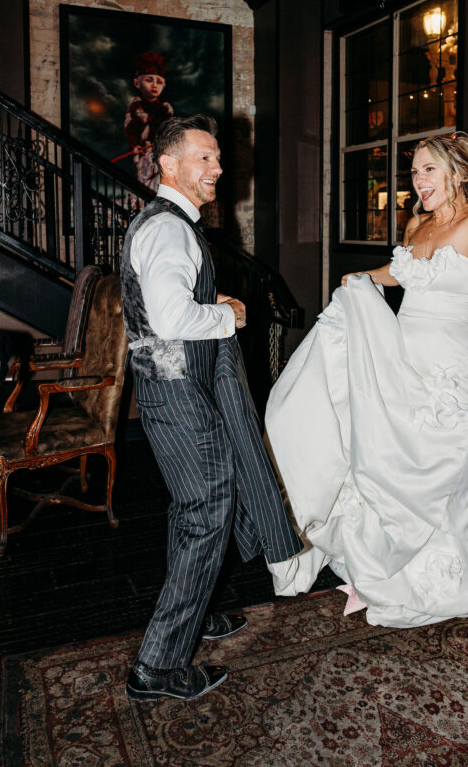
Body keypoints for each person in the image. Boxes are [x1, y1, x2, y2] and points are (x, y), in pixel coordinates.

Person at [265, 33, 468, 628]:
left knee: (451, 474)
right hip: (402, 363)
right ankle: (390, 571)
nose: (418, 181)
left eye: (427, 170)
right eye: (413, 172)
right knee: (391, 470)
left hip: (448, 371)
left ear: (453, 171)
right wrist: (356, 279)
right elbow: (395, 274)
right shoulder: (418, 228)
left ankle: (460, 575)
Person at [120, 113, 301, 701]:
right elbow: (172, 320)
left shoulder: (164, 225)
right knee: (205, 514)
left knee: (194, 511)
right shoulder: (170, 229)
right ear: (168, 164)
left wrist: (210, 298)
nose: (218, 168)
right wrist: (228, 315)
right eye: (205, 157)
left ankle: (195, 617)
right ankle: (159, 666)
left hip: (168, 390)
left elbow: (164, 303)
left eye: (217, 157)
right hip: (180, 395)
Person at [124, 51, 174, 189]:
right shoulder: (136, 106)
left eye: (159, 82)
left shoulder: (165, 109)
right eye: (149, 80)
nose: (154, 85)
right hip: (144, 151)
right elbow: (130, 129)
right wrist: (134, 145)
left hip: (161, 151)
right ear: (137, 83)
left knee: (161, 180)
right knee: (145, 180)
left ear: (164, 85)